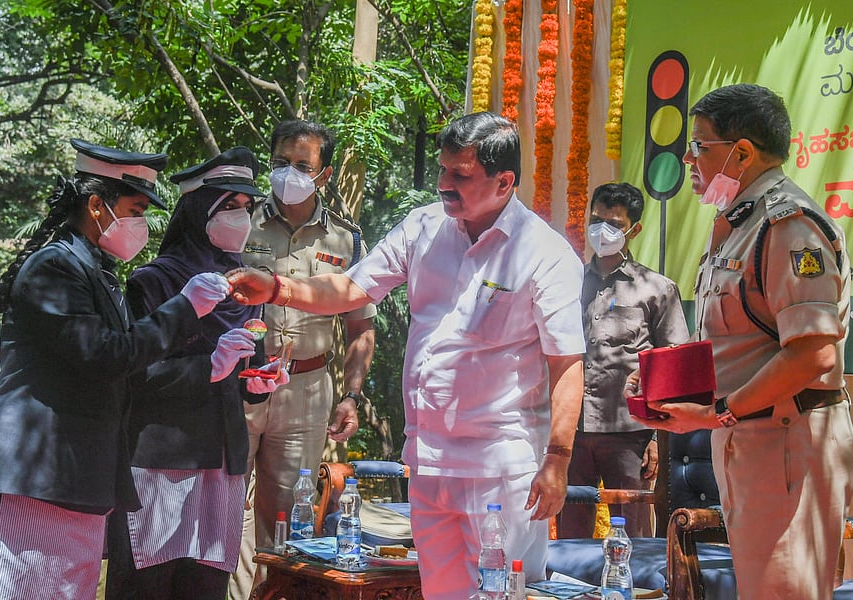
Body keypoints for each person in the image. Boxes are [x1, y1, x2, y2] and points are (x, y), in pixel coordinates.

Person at [227, 111, 586, 599]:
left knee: (502, 595)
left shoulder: (544, 253)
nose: (443, 184)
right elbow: (352, 287)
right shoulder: (425, 228)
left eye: (459, 175)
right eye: (441, 170)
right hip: (429, 460)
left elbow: (566, 363)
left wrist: (558, 459)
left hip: (501, 469)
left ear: (504, 182)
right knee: (440, 593)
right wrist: (278, 287)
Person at [0, 139, 231, 599]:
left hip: (77, 479)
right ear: (95, 204)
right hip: (31, 476)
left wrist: (215, 364)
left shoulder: (97, 274)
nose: (142, 224)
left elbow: (130, 370)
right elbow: (104, 355)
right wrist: (184, 308)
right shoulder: (54, 268)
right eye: (136, 208)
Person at [630, 83, 853, 598]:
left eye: (699, 145)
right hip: (752, 444)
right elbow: (742, 340)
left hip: (788, 444)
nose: (687, 157)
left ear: (742, 152)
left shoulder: (789, 225)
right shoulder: (739, 224)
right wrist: (669, 384)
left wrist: (721, 412)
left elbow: (813, 350)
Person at [104, 147, 287, 599]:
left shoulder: (248, 282)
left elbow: (248, 374)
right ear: (196, 212)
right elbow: (135, 375)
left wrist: (261, 382)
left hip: (223, 456)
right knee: (148, 582)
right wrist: (207, 366)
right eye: (229, 207)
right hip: (161, 456)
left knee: (205, 585)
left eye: (247, 208)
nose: (241, 219)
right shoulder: (153, 280)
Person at [231, 119, 376, 597]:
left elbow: (360, 327)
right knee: (226, 505)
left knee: (285, 518)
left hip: (308, 390)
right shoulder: (238, 218)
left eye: (301, 165)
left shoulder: (347, 240)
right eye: (279, 163)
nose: (287, 173)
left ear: (325, 174)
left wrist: (352, 395)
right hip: (239, 382)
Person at [558, 182, 689, 539]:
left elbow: (672, 368)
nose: (603, 231)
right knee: (570, 539)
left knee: (630, 536)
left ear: (634, 229)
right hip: (572, 433)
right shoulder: (567, 283)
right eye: (597, 220)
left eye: (614, 224)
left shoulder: (656, 288)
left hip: (630, 435)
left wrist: (656, 439)